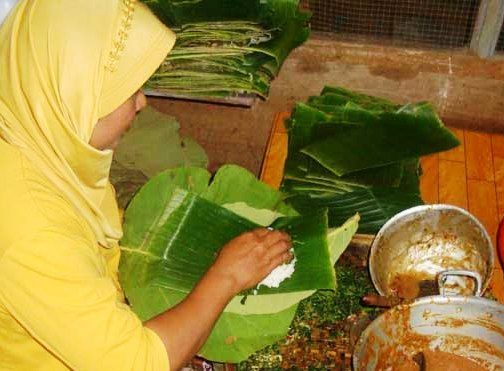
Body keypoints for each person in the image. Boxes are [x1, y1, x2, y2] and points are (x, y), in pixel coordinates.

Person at [0, 1, 292, 370]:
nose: (142, 102)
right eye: (129, 90)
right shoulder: (33, 233)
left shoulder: (46, 142)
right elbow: (138, 364)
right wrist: (227, 275)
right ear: (76, 98)